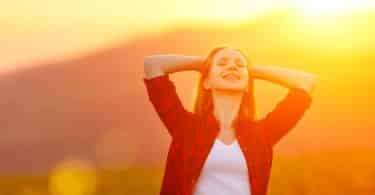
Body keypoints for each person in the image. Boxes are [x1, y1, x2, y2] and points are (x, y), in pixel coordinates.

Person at [142, 46, 316, 195]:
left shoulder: (262, 134)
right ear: (207, 82)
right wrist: (204, 64)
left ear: (248, 85)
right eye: (222, 63)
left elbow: (306, 82)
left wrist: (250, 70)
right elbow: (153, 65)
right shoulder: (186, 127)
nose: (232, 66)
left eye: (239, 64)